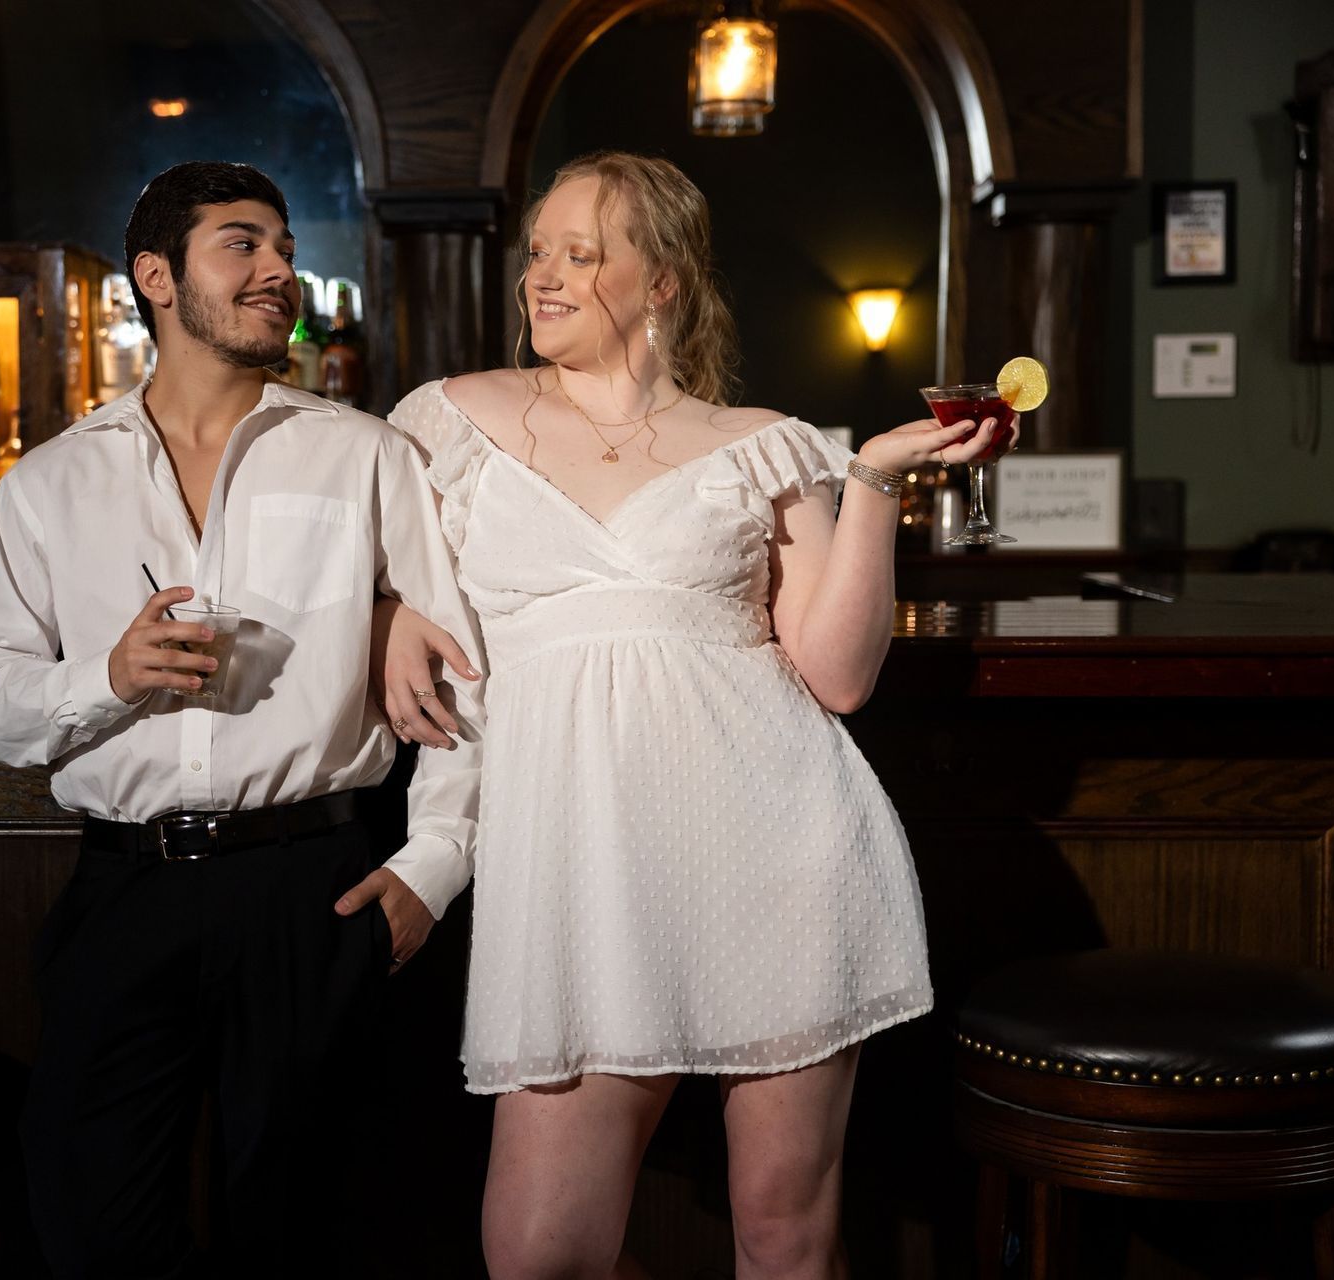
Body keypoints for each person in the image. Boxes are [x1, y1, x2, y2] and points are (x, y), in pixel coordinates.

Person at [375, 151, 1015, 1279]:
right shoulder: (447, 423)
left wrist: (870, 479)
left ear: (663, 279)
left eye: (585, 253)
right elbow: (374, 576)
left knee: (783, 1231)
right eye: (539, 253)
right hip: (578, 876)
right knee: (538, 1253)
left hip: (778, 852)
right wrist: (388, 612)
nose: (545, 277)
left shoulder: (766, 441)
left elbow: (839, 675)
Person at [0, 161, 483, 1278]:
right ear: (155, 275)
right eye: (242, 243)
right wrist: (109, 675)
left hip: (314, 884)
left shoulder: (369, 454)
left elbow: (460, 676)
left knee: (311, 1230)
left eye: (283, 247)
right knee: (92, 1216)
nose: (278, 269)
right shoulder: (48, 483)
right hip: (123, 889)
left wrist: (432, 865)